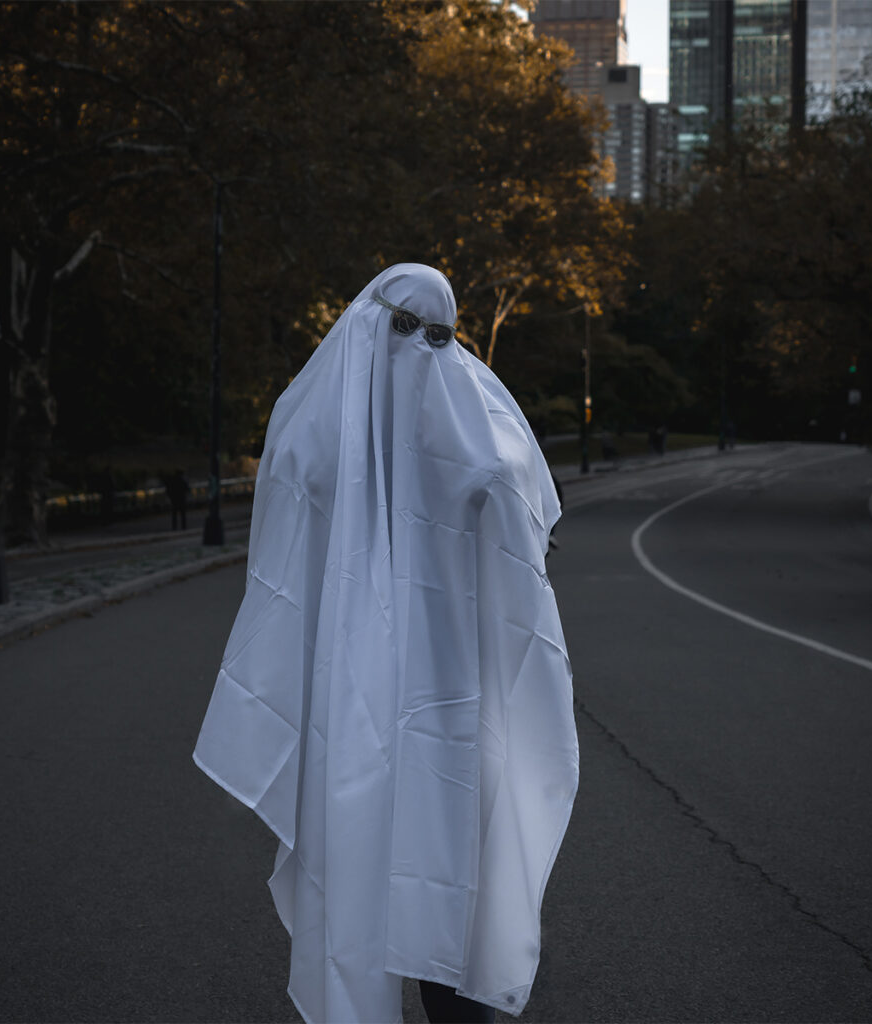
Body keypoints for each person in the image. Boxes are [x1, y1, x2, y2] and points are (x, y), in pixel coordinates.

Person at [193, 265, 579, 1024]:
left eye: (437, 335)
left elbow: (525, 509)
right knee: (363, 858)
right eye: (403, 328)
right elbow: (285, 555)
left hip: (456, 697)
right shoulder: (315, 428)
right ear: (370, 322)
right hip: (355, 691)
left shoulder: (480, 421)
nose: (419, 351)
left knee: (451, 866)